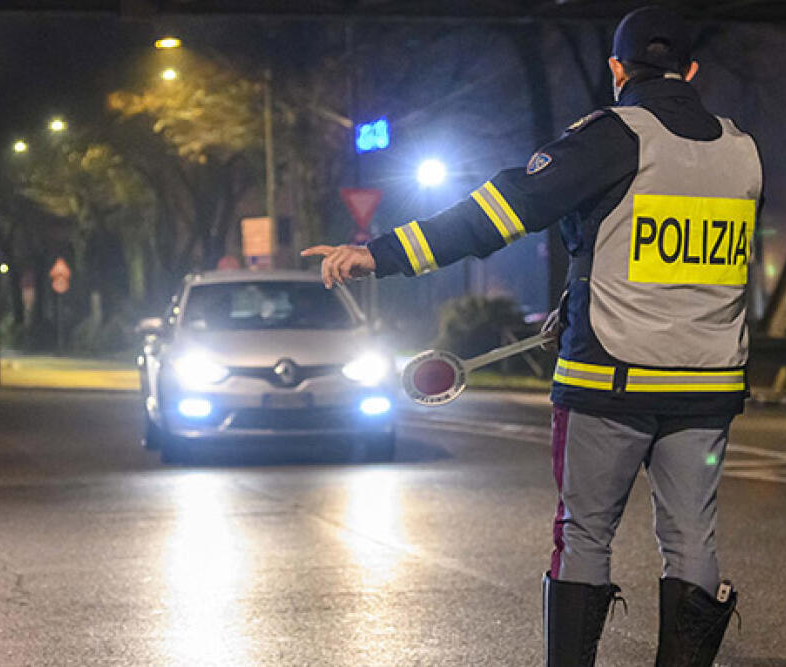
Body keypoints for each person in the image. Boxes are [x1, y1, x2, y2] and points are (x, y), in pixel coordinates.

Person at [303, 6, 761, 666]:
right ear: (691, 71)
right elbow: (694, 267)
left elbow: (502, 209)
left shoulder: (615, 136)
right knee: (692, 539)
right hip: (707, 386)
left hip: (611, 380)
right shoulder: (742, 151)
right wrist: (580, 300)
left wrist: (381, 253)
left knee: (585, 536)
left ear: (615, 69)